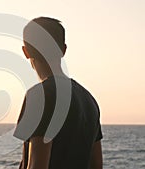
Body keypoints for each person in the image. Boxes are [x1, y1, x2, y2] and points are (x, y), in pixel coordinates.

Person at [13, 17, 103, 169]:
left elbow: (36, 165)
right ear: (63, 50)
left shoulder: (39, 96)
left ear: (26, 51)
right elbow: (97, 166)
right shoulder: (89, 100)